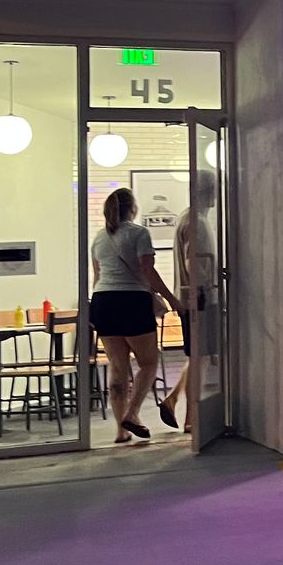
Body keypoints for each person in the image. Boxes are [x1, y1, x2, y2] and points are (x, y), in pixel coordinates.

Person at [90, 188, 181, 444]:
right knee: (148, 363)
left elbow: (97, 276)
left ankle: (121, 431)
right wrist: (172, 299)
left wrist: (94, 309)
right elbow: (148, 271)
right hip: (131, 301)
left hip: (103, 301)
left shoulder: (99, 237)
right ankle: (132, 414)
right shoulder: (139, 233)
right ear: (133, 208)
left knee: (118, 368)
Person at [158, 171, 218, 433]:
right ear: (208, 192)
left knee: (198, 357)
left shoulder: (189, 217)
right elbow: (195, 263)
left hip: (193, 298)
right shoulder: (196, 222)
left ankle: (173, 400)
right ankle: (191, 417)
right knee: (199, 358)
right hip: (199, 300)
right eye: (214, 188)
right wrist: (201, 296)